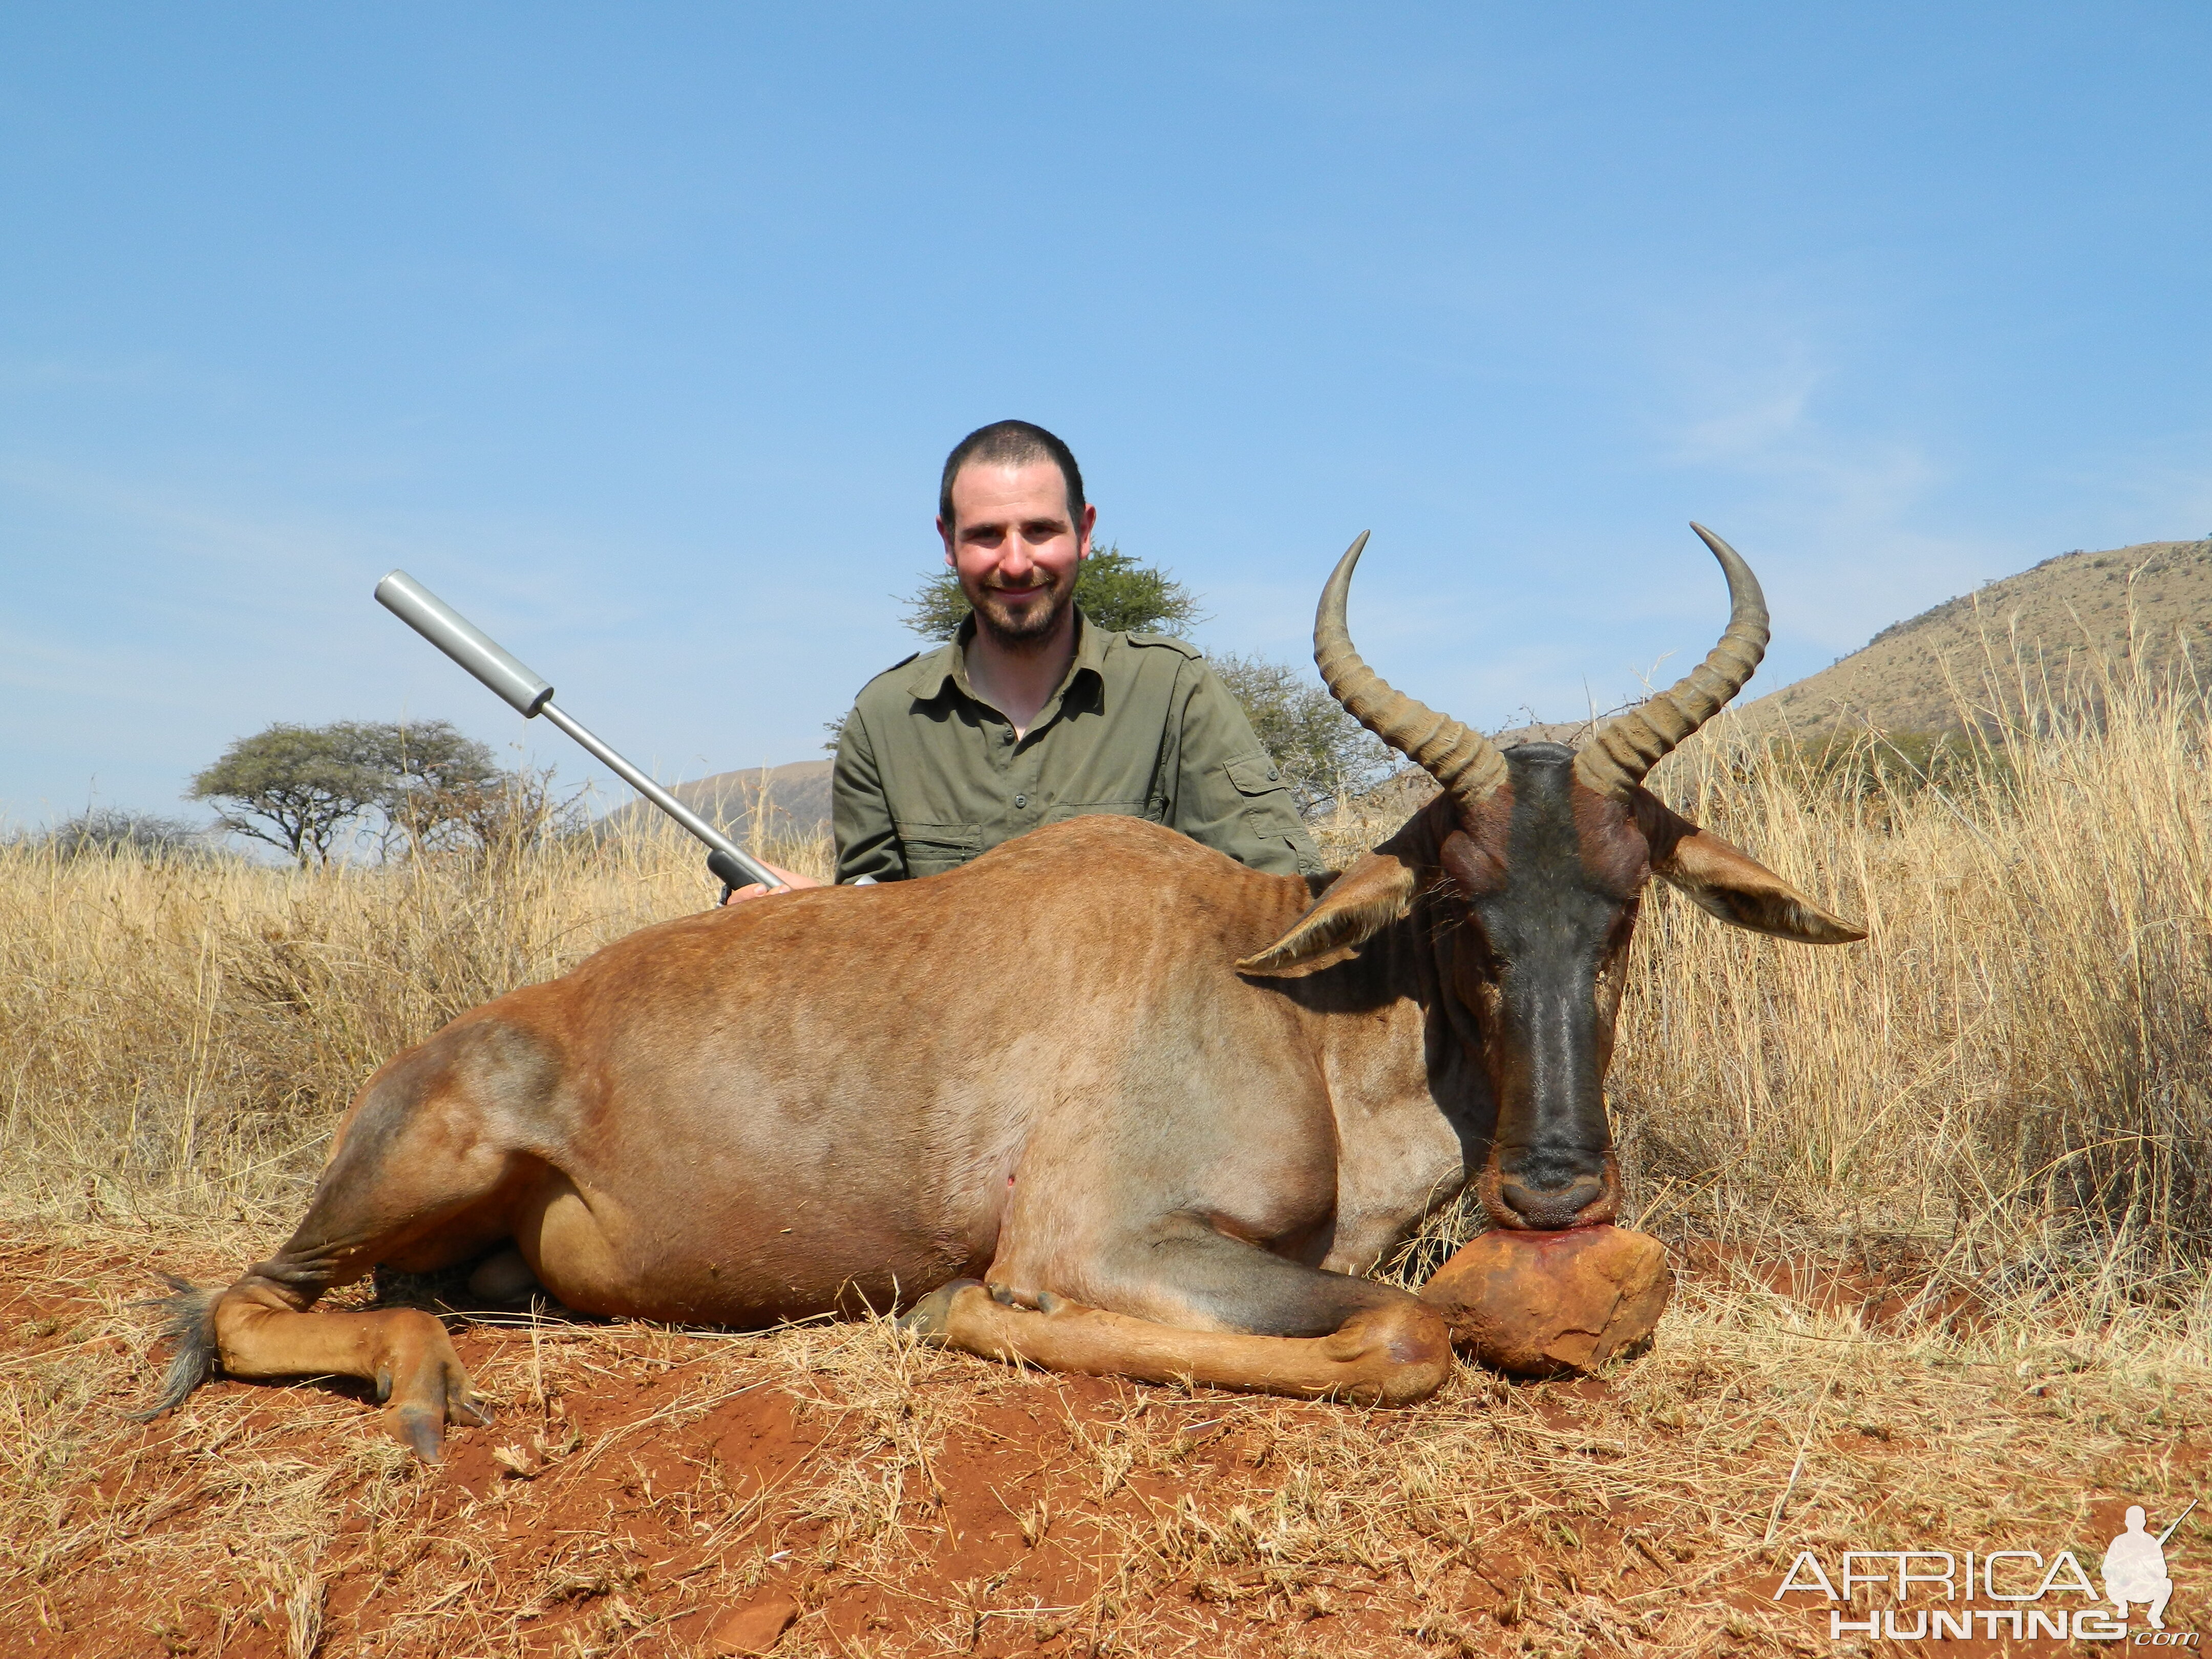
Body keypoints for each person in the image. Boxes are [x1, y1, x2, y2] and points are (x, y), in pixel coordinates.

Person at [726, 420, 1321, 898]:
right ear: (947, 542)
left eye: (1040, 530)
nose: (1014, 562)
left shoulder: (1173, 690)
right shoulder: (883, 718)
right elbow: (878, 923)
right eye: (987, 535)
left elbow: (1283, 894)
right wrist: (810, 919)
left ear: (1085, 532)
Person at [2101, 1506, 2174, 1629]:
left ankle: (2155, 1615)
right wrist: (2122, 1571)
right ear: (2127, 1523)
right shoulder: (2119, 1541)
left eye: (2139, 1521)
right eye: (2133, 1521)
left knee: (2167, 1584)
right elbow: (2106, 1569)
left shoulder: (2151, 1542)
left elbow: (2162, 1571)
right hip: (2123, 1587)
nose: (2136, 1524)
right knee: (2111, 1583)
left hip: (2145, 1588)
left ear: (2144, 1522)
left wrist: (2147, 1566)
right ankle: (2122, 1606)